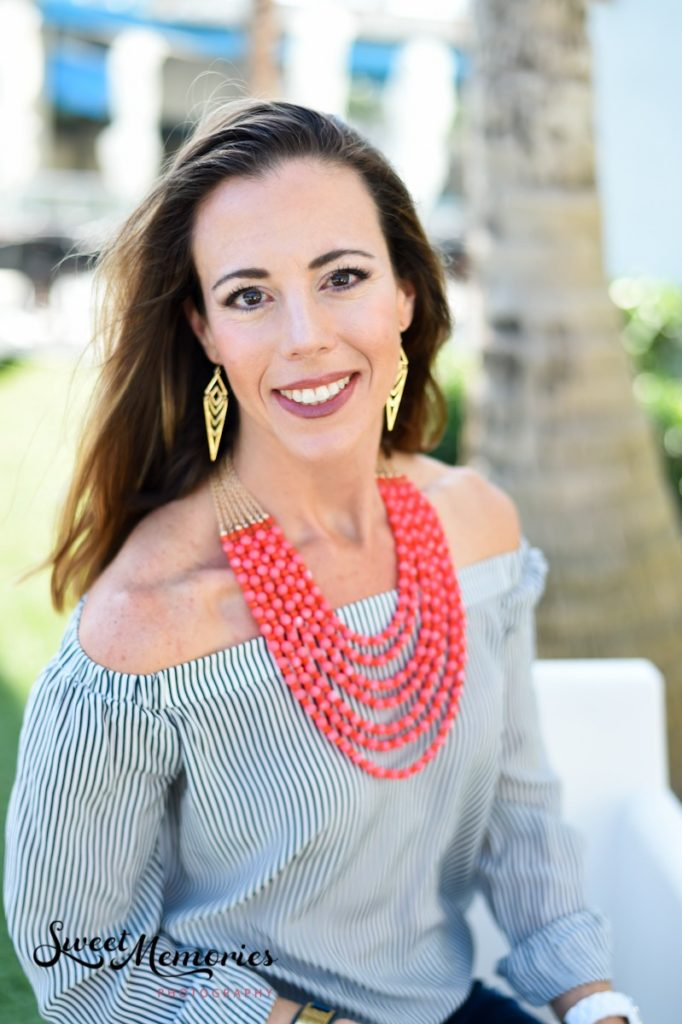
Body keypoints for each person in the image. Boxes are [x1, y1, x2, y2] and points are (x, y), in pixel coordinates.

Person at [3, 99, 641, 1024]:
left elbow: (520, 815)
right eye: (250, 295)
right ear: (205, 332)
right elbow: (78, 961)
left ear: (407, 293)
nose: (304, 334)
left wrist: (592, 1002)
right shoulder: (146, 627)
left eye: (342, 276)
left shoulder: (479, 531)